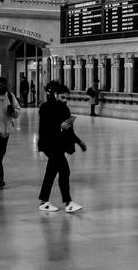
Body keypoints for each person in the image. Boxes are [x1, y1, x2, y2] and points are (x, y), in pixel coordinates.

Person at [37, 84, 86, 213]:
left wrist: (79, 141)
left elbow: (69, 129)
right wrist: (59, 128)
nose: (65, 100)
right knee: (64, 171)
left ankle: (44, 201)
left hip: (58, 145)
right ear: (55, 95)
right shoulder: (45, 108)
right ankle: (68, 202)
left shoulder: (64, 109)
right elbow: (44, 128)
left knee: (51, 173)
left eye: (66, 98)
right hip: (49, 144)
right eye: (62, 97)